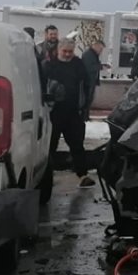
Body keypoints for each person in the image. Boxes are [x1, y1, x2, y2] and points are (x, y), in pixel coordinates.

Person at [42, 40, 94, 187]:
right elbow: (42, 85)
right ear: (59, 50)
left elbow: (86, 85)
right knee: (50, 145)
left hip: (73, 112)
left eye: (70, 51)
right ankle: (46, 176)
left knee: (77, 144)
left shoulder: (78, 65)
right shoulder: (49, 65)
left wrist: (84, 106)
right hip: (54, 112)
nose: (67, 54)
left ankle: (82, 175)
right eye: (64, 51)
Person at [81, 40, 106, 112]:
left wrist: (101, 65)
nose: (101, 51)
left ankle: (86, 115)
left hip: (91, 80)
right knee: (87, 99)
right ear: (96, 46)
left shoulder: (93, 54)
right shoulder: (88, 54)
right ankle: (84, 116)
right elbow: (89, 67)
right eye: (100, 49)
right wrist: (100, 67)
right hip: (88, 80)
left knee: (89, 99)